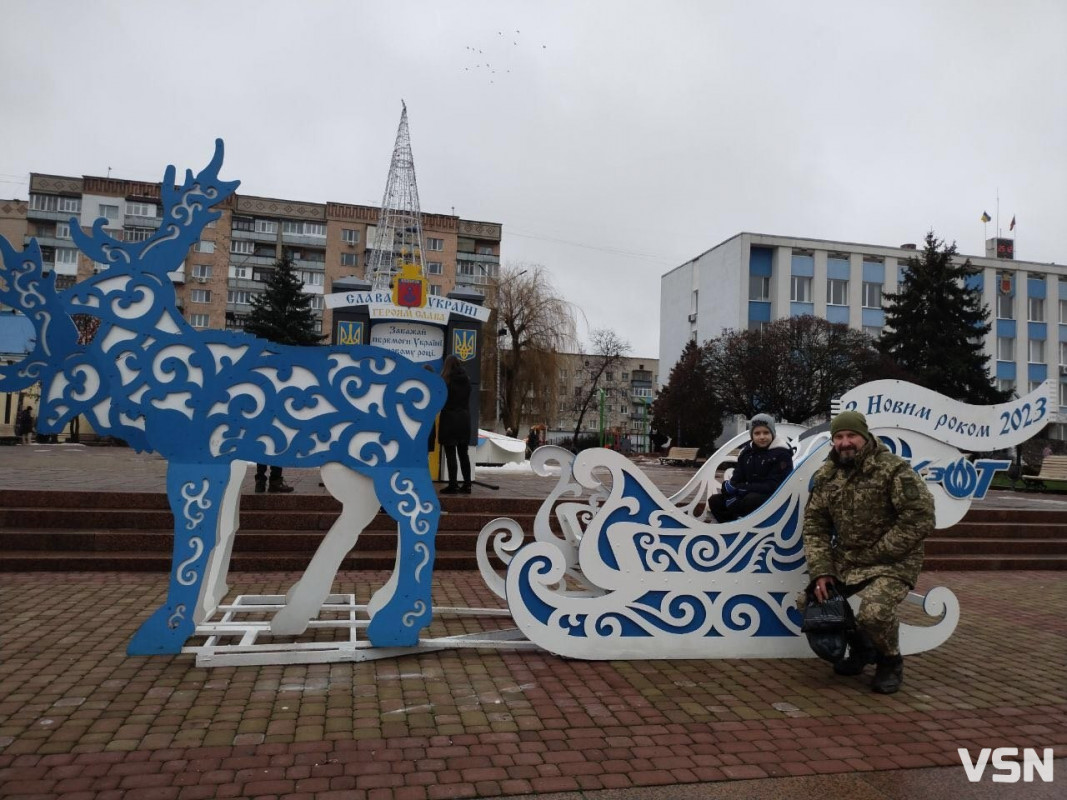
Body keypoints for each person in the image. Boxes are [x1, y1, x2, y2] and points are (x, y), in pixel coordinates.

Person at [802, 410, 935, 695]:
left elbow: (920, 518)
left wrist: (878, 553)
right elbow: (815, 525)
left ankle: (889, 661)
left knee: (873, 613)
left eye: (851, 435)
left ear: (864, 436)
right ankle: (863, 649)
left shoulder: (893, 469)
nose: (845, 442)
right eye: (839, 437)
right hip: (848, 560)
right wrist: (822, 571)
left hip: (895, 561)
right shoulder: (827, 475)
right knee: (812, 600)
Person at [706, 414, 793, 523]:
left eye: (766, 432)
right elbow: (738, 477)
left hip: (771, 497)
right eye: (757, 433)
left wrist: (744, 489)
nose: (762, 437)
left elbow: (774, 485)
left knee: (750, 500)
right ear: (752, 435)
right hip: (747, 493)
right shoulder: (747, 453)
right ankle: (730, 526)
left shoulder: (781, 454)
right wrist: (728, 488)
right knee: (715, 500)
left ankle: (741, 523)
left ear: (772, 433)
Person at [438, 354, 472, 494]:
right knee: (464, 453)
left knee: (451, 453)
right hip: (464, 419)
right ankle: (467, 484)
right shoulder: (467, 380)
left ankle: (453, 484)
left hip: (449, 419)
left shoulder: (445, 380)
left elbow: (440, 401)